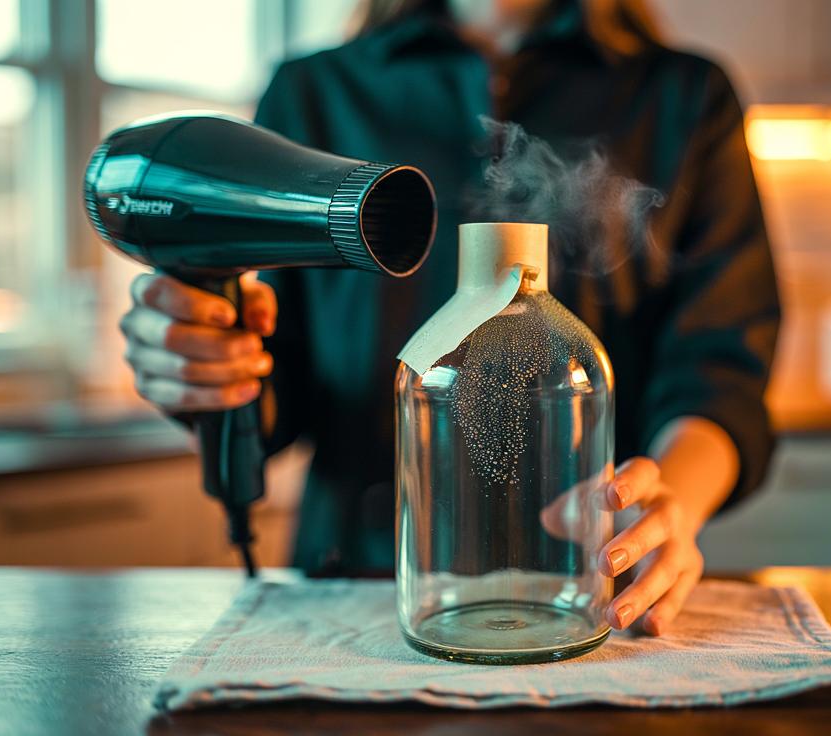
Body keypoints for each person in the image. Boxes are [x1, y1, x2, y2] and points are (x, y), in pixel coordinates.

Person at [118, 0, 780, 637]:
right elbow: (279, 379)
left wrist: (669, 499)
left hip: (596, 586)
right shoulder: (313, 92)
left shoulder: (684, 96)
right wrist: (205, 367)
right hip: (354, 585)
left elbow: (718, 369)